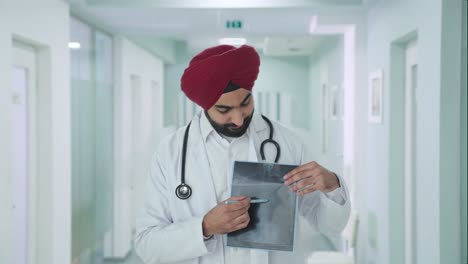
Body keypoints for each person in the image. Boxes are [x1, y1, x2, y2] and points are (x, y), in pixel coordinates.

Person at [134, 44, 350, 264]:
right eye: (224, 110)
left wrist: (333, 186)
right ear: (205, 106)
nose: (238, 119)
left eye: (245, 103)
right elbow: (147, 245)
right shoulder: (170, 153)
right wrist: (205, 227)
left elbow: (330, 226)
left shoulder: (288, 144)